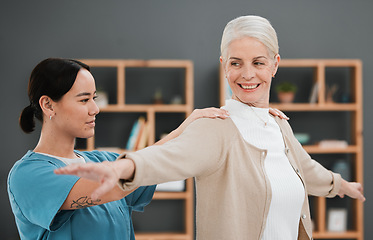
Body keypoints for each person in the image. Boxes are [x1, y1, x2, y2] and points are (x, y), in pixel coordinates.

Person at [54, 15, 365, 240]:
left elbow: (306, 169)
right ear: (223, 65)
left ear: (275, 65)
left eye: (258, 62)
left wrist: (342, 186)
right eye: (235, 63)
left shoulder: (278, 125)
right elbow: (172, 157)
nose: (246, 74)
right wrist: (124, 168)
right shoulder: (216, 127)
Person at [8, 57, 245, 240]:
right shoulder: (28, 175)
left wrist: (189, 125)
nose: (95, 109)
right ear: (48, 104)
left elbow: (151, 162)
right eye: (83, 100)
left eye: (94, 97)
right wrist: (134, 164)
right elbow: (114, 184)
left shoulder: (103, 159)